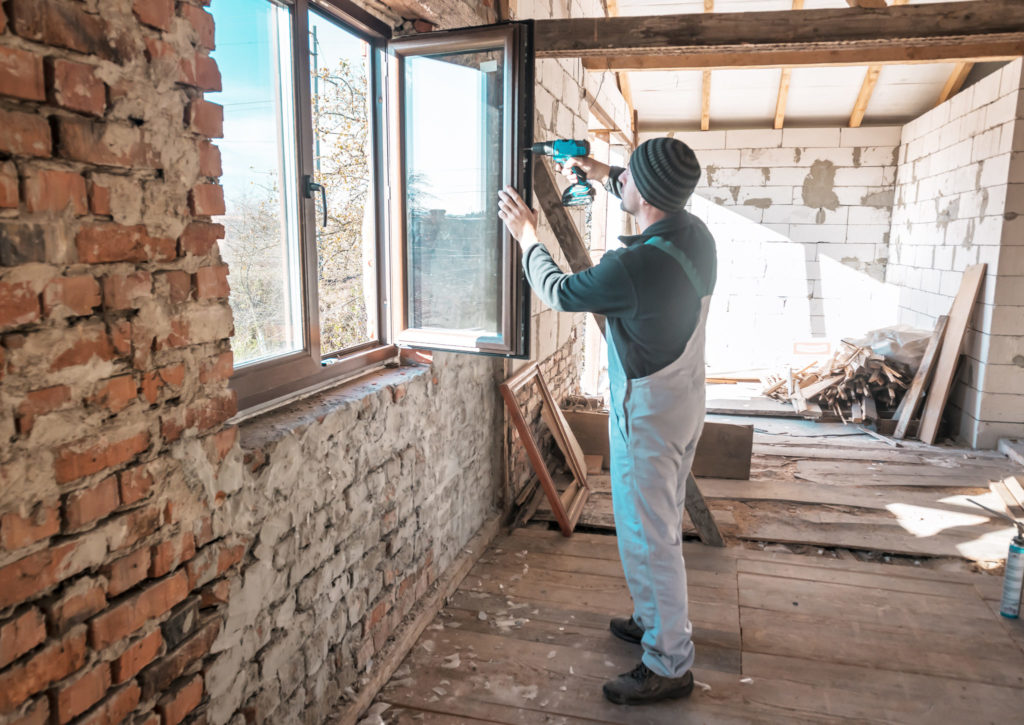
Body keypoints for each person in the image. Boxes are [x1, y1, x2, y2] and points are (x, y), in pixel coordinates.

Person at [497, 137, 716, 706]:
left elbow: (560, 291)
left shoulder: (634, 267)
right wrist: (599, 170)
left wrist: (528, 235)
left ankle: (670, 662)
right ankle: (651, 620)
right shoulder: (694, 234)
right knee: (649, 523)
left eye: (627, 179)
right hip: (683, 396)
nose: (620, 182)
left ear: (643, 194)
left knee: (652, 534)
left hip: (648, 409)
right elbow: (636, 182)